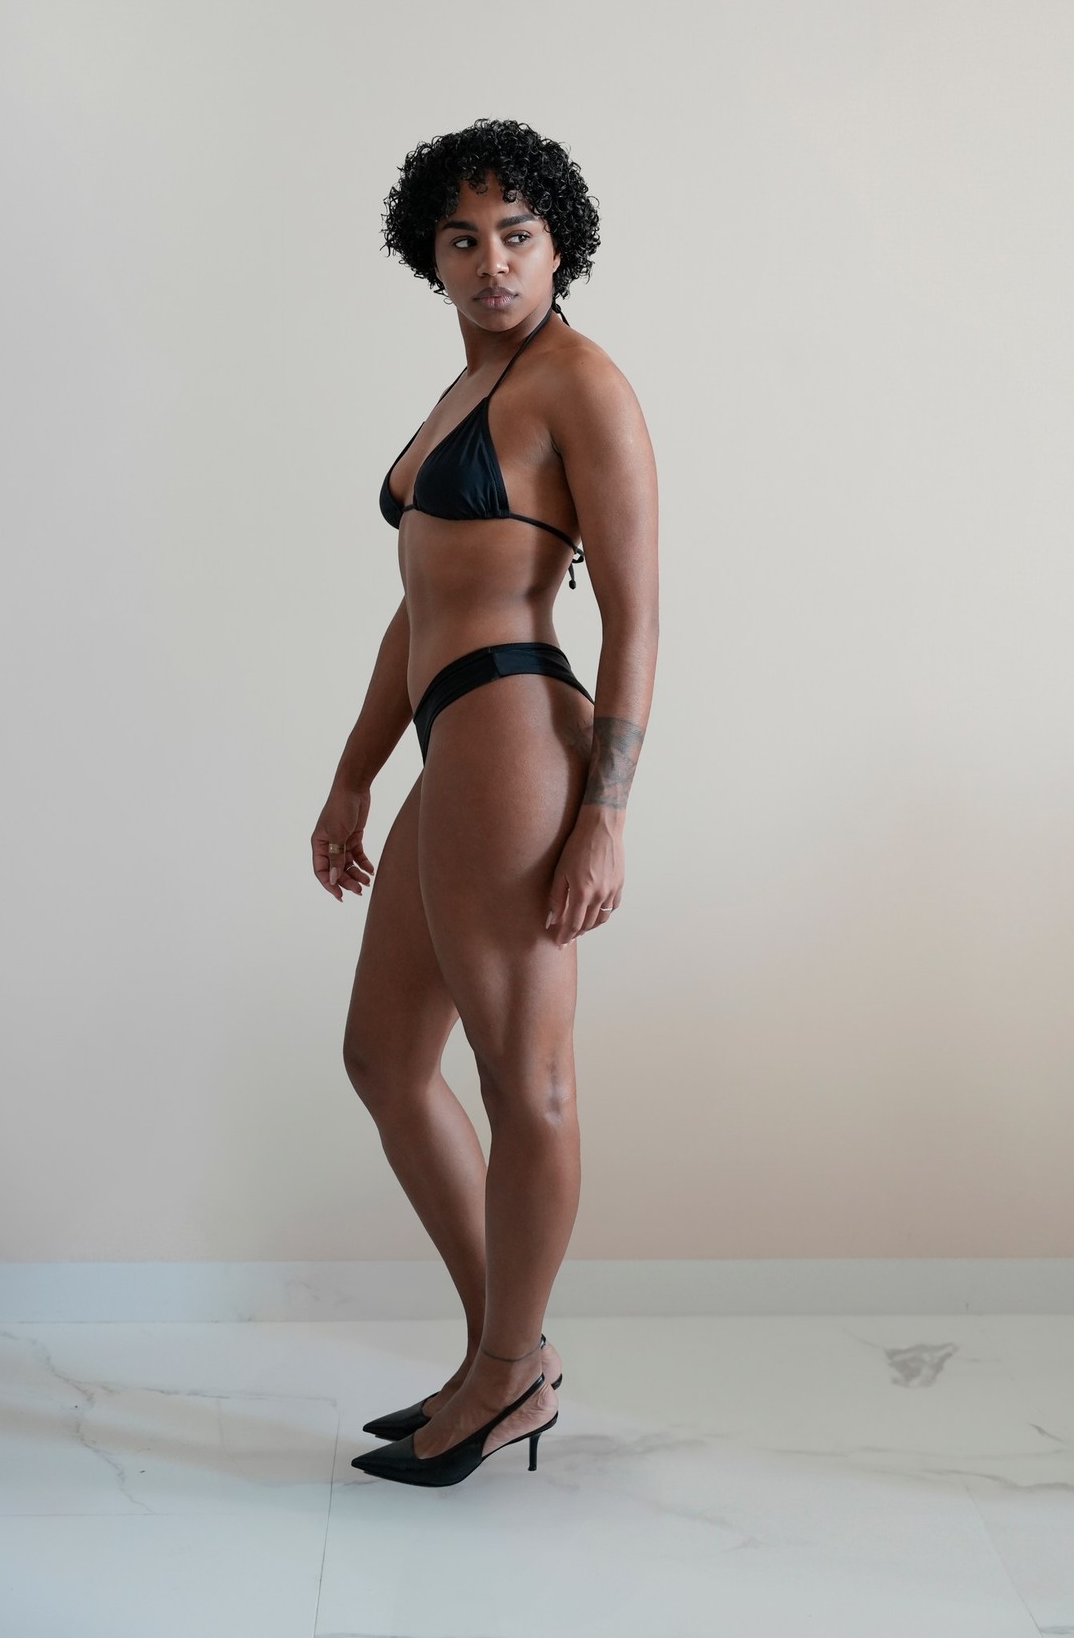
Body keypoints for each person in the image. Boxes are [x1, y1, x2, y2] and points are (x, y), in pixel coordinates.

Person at [310, 118, 659, 1487]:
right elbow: (417, 608)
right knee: (384, 1062)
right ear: (433, 256)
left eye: (516, 234)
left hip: (518, 728)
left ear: (558, 243)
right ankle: (500, 1355)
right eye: (464, 240)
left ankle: (509, 1374)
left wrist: (606, 813)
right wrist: (354, 770)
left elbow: (636, 616)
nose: (492, 261)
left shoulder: (582, 384)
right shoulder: (465, 386)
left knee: (525, 1080)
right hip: (445, 738)